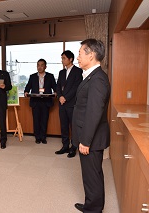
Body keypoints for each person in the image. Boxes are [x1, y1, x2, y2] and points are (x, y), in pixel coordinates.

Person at [72, 39, 110, 213]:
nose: (78, 57)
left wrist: (85, 141)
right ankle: (91, 204)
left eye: (80, 54)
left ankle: (94, 209)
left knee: (92, 176)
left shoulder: (98, 80)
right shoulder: (92, 76)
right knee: (91, 174)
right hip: (88, 136)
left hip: (91, 139)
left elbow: (94, 113)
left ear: (91, 55)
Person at [55, 50, 83, 158]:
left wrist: (65, 97)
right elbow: (58, 86)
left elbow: (76, 87)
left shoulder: (77, 71)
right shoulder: (61, 72)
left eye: (64, 58)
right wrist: (60, 96)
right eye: (62, 58)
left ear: (70, 59)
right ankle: (65, 146)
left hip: (72, 103)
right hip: (62, 103)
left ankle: (73, 147)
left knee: (73, 126)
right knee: (64, 125)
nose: (62, 60)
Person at [24, 59, 56, 144]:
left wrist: (56, 92)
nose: (40, 67)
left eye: (42, 65)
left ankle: (43, 137)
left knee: (44, 120)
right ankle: (37, 137)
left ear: (45, 66)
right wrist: (26, 91)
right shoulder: (32, 76)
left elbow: (55, 87)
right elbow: (28, 86)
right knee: (36, 120)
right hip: (36, 101)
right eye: (38, 65)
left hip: (46, 101)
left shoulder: (50, 76)